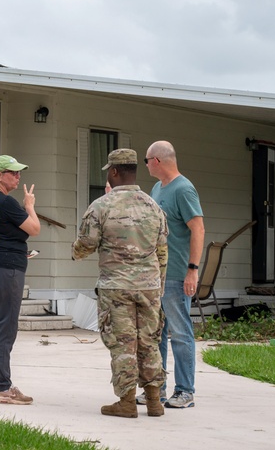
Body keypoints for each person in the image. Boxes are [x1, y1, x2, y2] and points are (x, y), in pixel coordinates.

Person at [72, 148, 168, 418]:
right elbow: (162, 251)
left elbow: (86, 244)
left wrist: (75, 251)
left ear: (114, 172)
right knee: (150, 341)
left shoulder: (101, 206)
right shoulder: (153, 206)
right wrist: (158, 284)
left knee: (123, 343)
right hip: (149, 287)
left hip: (116, 287)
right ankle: (154, 401)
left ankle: (126, 402)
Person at [143, 140, 204, 409]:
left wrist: (193, 270)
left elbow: (198, 229)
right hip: (157, 275)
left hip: (178, 274)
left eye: (146, 160)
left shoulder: (183, 189)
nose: (145, 165)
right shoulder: (157, 188)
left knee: (180, 333)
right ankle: (157, 390)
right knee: (158, 334)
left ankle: (185, 391)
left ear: (157, 161)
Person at [0, 154, 40, 405]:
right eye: (13, 172)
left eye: (19, 172)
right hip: (7, 270)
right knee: (5, 327)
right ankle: (4, 388)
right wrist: (30, 206)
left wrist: (5, 242)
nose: (18, 176)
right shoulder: (7, 202)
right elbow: (34, 229)